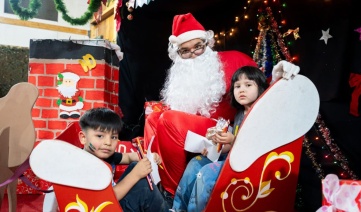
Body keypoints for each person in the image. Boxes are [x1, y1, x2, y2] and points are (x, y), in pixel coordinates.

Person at [143, 12, 299, 200]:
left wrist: (277, 79)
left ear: (207, 44)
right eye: (185, 51)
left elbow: (260, 88)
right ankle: (155, 180)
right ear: (178, 54)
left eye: (198, 47)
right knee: (153, 118)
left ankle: (172, 193)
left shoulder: (234, 60)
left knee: (169, 119)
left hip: (226, 129)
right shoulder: (179, 74)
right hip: (197, 136)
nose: (192, 55)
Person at [171, 66, 269, 211]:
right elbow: (230, 146)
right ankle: (178, 209)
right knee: (195, 163)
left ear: (260, 88)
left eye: (248, 85)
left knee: (207, 172)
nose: (242, 90)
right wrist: (215, 145)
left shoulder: (261, 114)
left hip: (247, 163)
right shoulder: (239, 114)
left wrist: (232, 139)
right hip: (231, 158)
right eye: (237, 86)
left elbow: (256, 146)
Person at [79, 107, 169, 212]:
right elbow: (104, 200)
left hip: (112, 201)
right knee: (142, 185)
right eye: (100, 136)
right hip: (103, 206)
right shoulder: (86, 165)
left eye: (113, 137)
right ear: (83, 138)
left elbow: (128, 157)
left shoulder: (103, 154)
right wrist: (135, 175)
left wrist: (147, 157)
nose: (108, 143)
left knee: (135, 165)